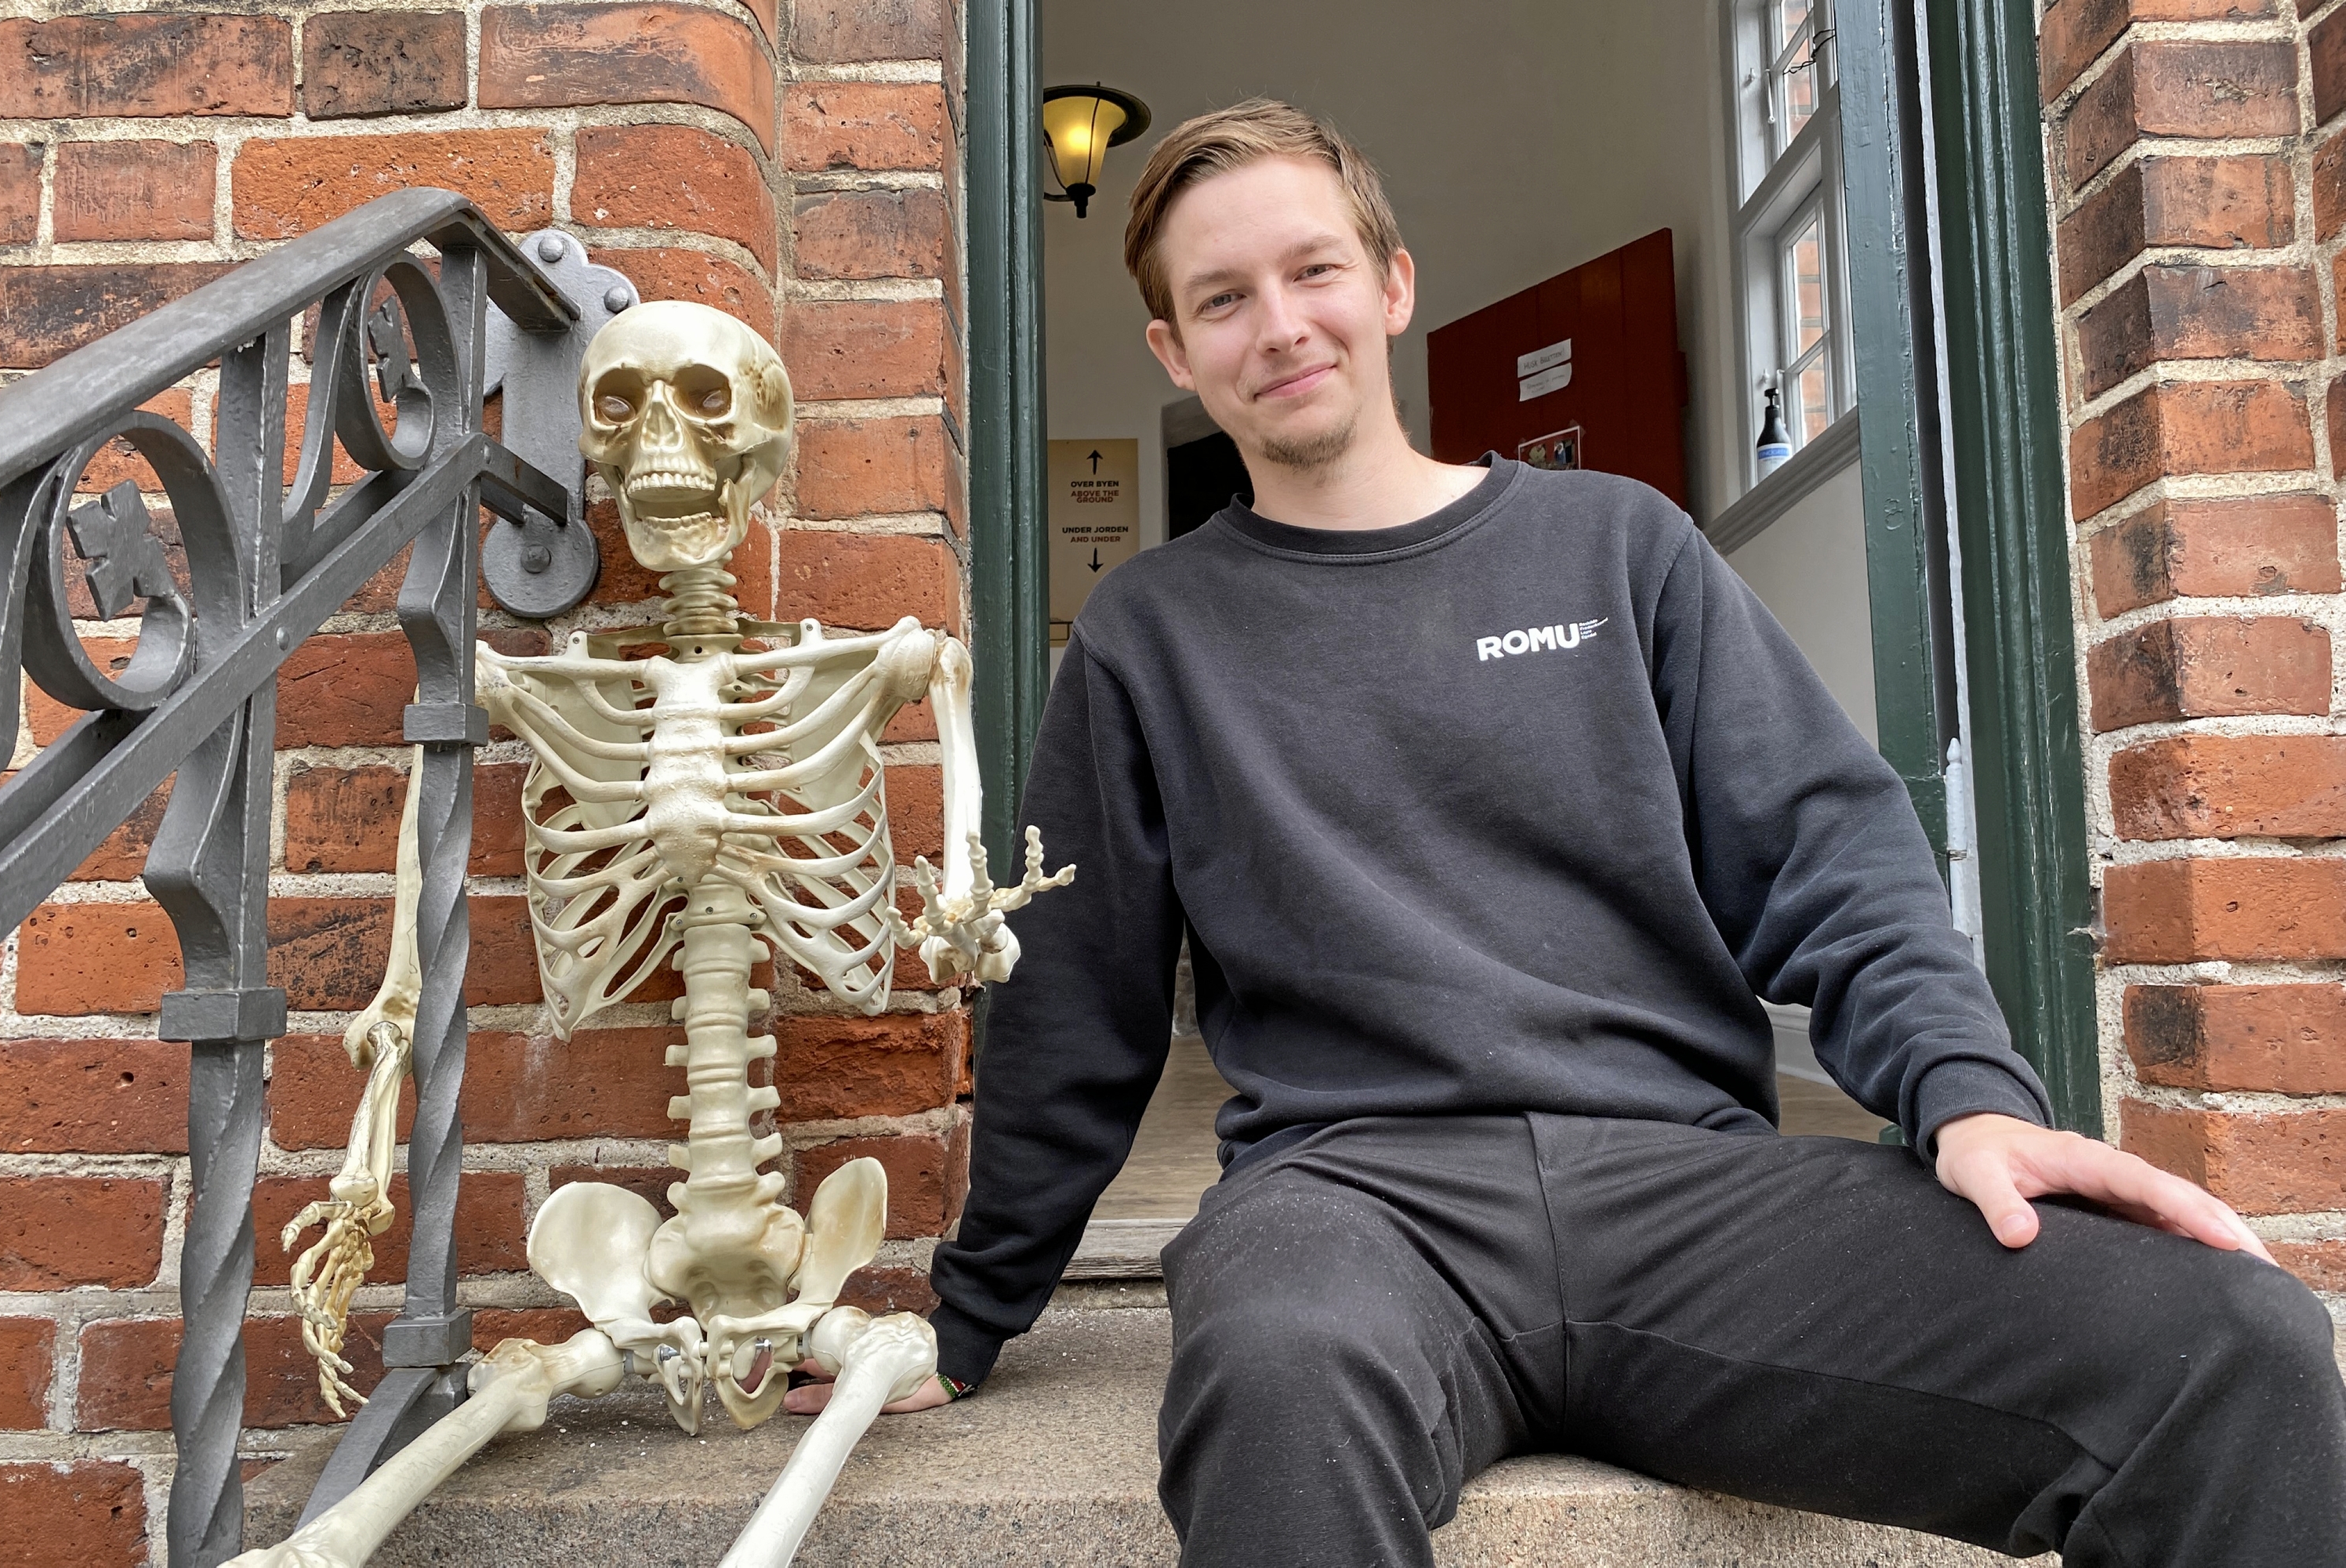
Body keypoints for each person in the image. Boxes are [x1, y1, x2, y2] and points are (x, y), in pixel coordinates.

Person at [789, 99, 2346, 1566]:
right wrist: (971, 1310)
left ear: (1392, 285)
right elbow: (1076, 1000)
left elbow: (1831, 855)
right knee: (1277, 1375)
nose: (1280, 324)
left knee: (2233, 1346)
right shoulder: (1147, 635)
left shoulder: (1619, 546)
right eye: (1223, 299)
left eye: (1314, 270)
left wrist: (1968, 1094)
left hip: (1692, 1196)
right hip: (1354, 1206)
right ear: (1175, 350)